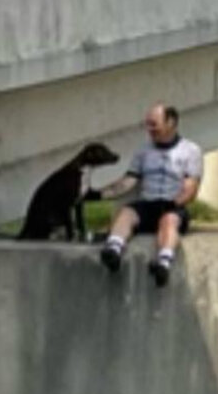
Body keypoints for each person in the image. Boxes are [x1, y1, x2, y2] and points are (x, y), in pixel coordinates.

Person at [84, 103, 203, 288]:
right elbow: (128, 181)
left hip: (173, 204)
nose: (149, 129)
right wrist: (98, 195)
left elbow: (191, 188)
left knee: (169, 221)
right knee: (126, 213)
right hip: (148, 203)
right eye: (147, 124)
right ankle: (113, 250)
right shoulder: (143, 151)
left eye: (154, 124)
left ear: (170, 122)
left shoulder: (191, 150)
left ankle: (163, 263)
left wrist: (176, 203)